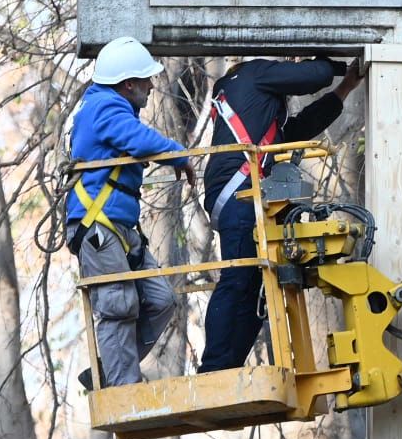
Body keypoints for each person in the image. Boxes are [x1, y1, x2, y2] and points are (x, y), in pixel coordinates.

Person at [199, 56, 363, 371]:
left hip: (244, 193)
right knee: (237, 279)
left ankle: (228, 368)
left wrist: (345, 88)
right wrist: (329, 64)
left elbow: (298, 130)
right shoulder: (253, 73)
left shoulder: (258, 109)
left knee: (255, 283)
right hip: (240, 193)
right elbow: (312, 75)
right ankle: (214, 368)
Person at [67, 36, 195, 390]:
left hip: (119, 228)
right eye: (146, 80)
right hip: (98, 227)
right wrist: (178, 154)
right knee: (119, 304)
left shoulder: (108, 106)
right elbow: (138, 140)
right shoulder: (104, 109)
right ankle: (122, 386)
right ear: (128, 84)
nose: (152, 87)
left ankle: (108, 370)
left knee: (160, 300)